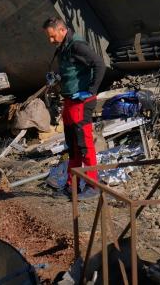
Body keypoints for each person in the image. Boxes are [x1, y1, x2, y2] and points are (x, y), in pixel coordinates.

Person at [43, 17, 106, 199]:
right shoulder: (63, 47)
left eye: (53, 36)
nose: (51, 40)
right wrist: (58, 77)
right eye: (49, 37)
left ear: (62, 30)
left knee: (84, 144)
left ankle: (93, 186)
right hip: (70, 101)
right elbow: (73, 70)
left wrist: (91, 90)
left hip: (81, 102)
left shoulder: (77, 46)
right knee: (73, 146)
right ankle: (72, 186)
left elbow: (99, 64)